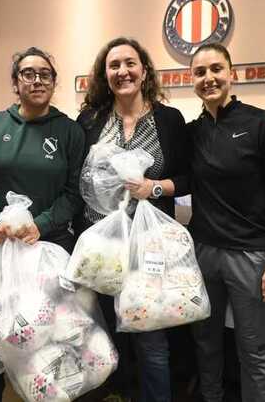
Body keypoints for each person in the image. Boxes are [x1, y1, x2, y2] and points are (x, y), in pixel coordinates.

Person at [0, 47, 85, 402]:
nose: (37, 80)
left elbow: (76, 193)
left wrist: (41, 225)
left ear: (54, 82)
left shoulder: (69, 131)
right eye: (28, 73)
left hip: (50, 248)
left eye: (45, 74)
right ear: (15, 82)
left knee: (48, 334)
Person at [75, 37, 188, 402]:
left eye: (129, 63)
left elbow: (189, 178)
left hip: (148, 245)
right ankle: (119, 391)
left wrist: (153, 187)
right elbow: (76, 176)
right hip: (101, 244)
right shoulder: (90, 120)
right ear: (103, 74)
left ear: (144, 70)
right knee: (106, 328)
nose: (122, 71)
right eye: (113, 65)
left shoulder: (169, 120)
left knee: (150, 334)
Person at [186, 43, 265, 402]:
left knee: (256, 351)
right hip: (203, 253)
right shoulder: (192, 132)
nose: (209, 78)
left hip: (251, 256)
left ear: (232, 73)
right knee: (206, 345)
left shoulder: (263, 124)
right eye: (200, 72)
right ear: (192, 80)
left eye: (216, 69)